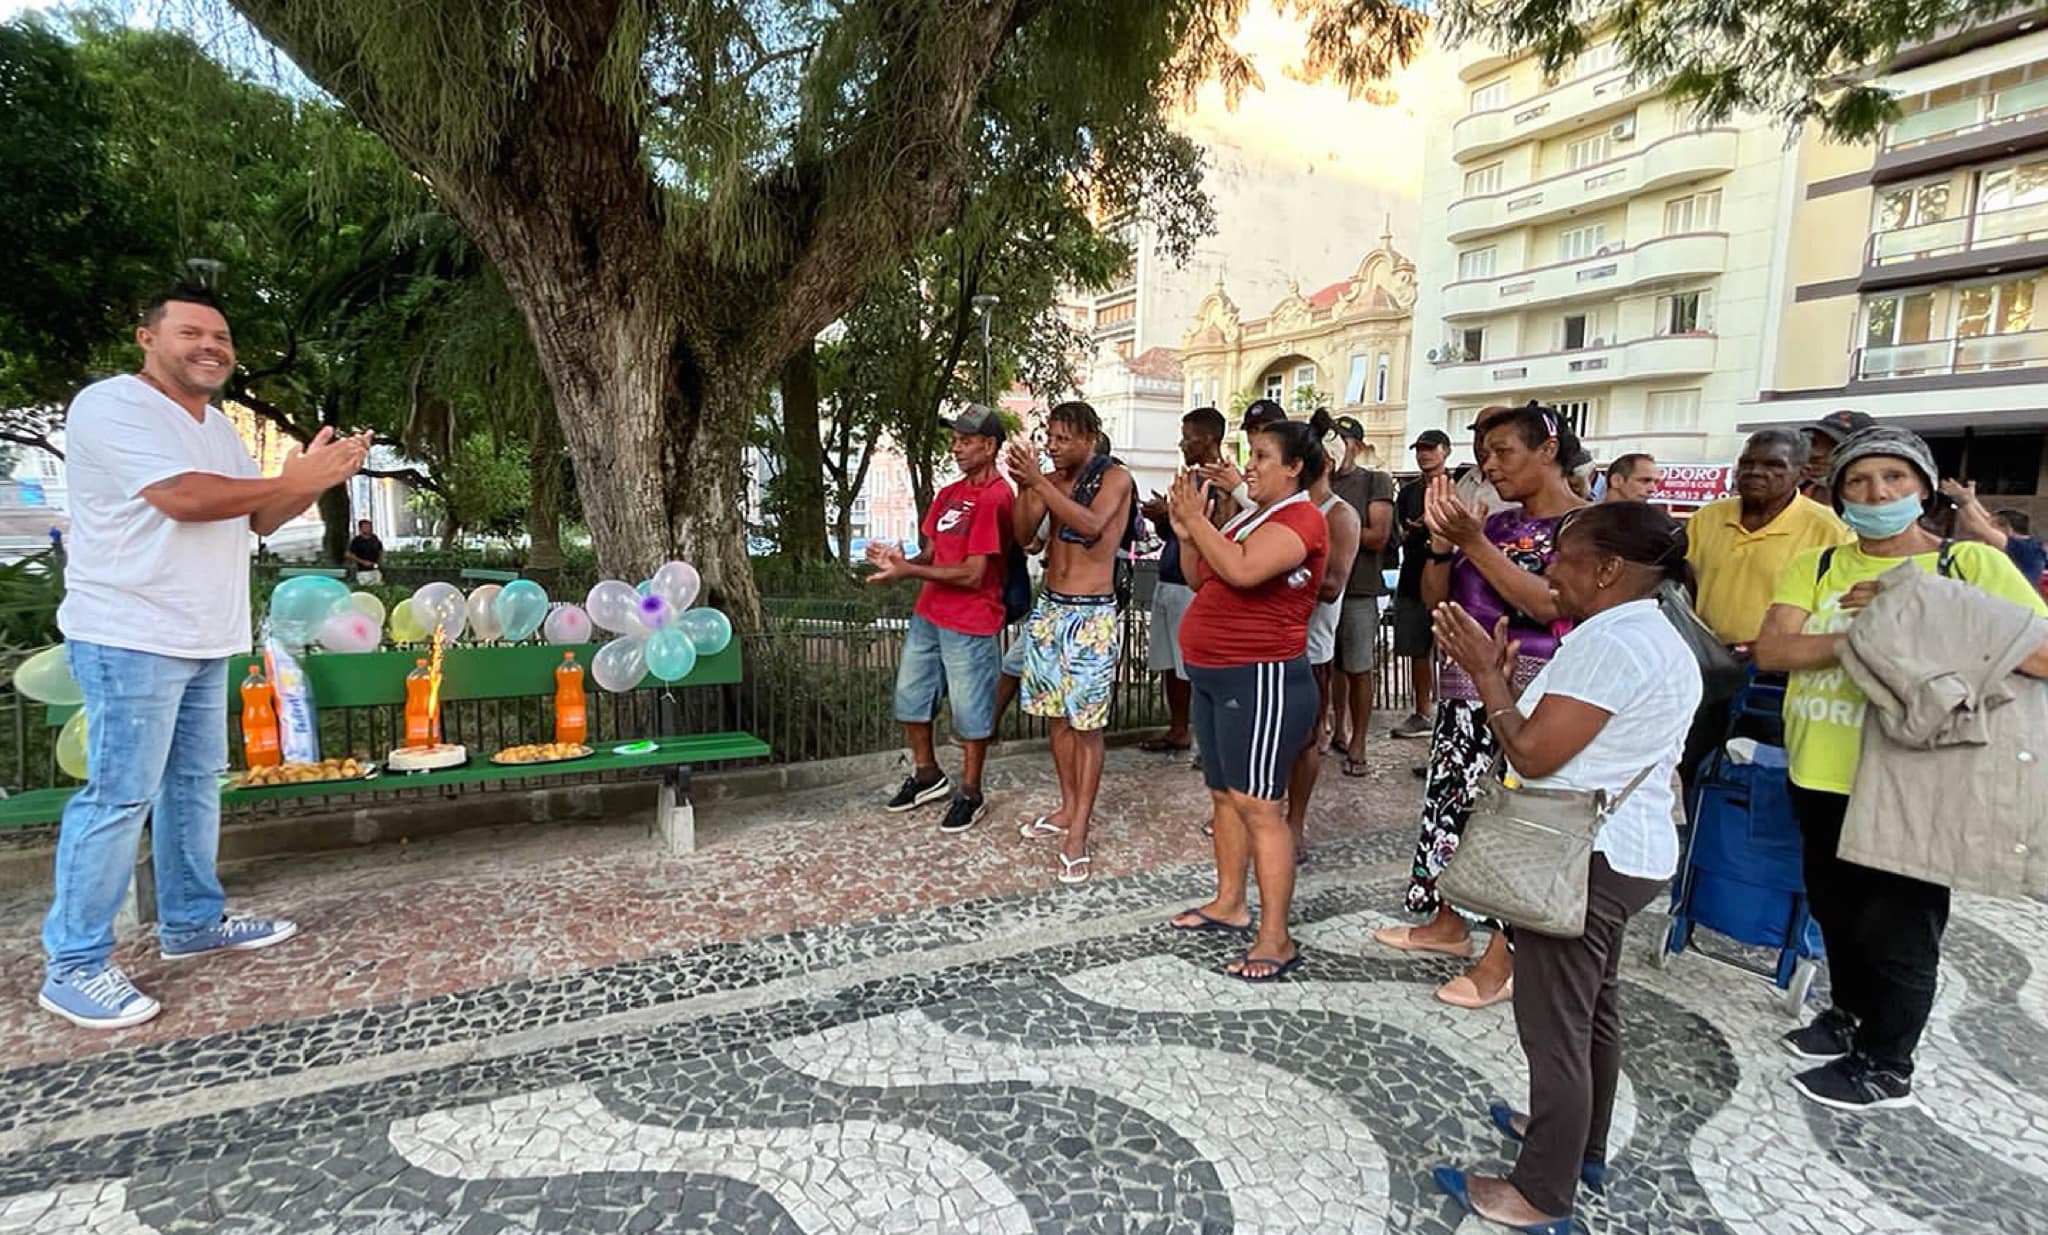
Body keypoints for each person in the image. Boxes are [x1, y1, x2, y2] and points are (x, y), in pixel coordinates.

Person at [40, 288, 369, 1030]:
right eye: (190, 331)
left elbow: (256, 516)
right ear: (147, 338)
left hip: (203, 634)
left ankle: (191, 920)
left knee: (194, 785)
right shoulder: (111, 404)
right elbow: (183, 498)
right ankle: (75, 963)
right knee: (120, 794)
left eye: (220, 335)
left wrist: (311, 484)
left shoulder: (218, 426)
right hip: (129, 631)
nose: (210, 345)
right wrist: (291, 479)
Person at [1429, 502, 1704, 1235]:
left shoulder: (1613, 643)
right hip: (1627, 848)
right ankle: (1579, 1145)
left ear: (1609, 567)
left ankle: (1542, 1192)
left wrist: (1488, 677)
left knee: (1554, 1026)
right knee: (1592, 1012)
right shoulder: (1650, 633)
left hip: (1585, 857)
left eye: (1564, 555)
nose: (1549, 568)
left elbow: (1531, 752)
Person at [1757, 425, 2048, 1111]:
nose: (1876, 493)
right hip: (1819, 769)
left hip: (1916, 778)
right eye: (1858, 482)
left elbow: (2038, 653)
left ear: (1923, 488)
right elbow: (1774, 649)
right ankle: (1850, 1014)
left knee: (1900, 928)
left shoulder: (1966, 568)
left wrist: (1911, 609)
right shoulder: (1821, 566)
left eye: (1893, 478)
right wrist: (1866, 631)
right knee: (1835, 911)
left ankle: (1889, 1063)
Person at [1374, 401, 1587, 1009]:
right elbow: (1442, 596)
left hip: (1539, 696)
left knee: (1517, 820)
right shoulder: (1493, 525)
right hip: (1467, 692)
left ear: (1548, 451)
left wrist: (1473, 540)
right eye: (1485, 454)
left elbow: (1552, 604)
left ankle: (1504, 956)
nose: (1490, 466)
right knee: (1453, 807)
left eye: (1504, 453)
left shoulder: (1587, 529)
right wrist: (1444, 549)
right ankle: (1447, 920)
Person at [1164, 411, 1332, 981]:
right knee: (1224, 798)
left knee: (1262, 808)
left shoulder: (1301, 520)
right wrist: (1189, 534)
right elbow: (1200, 577)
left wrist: (1199, 523)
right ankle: (1229, 902)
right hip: (1216, 675)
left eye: (1262, 457)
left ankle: (1275, 938)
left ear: (1294, 468)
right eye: (1251, 453)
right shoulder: (1253, 518)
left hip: (1259, 678)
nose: (1249, 466)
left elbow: (1238, 571)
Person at [868, 405, 1014, 835]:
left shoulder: (996, 498)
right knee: (911, 697)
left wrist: (909, 572)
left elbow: (974, 574)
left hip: (971, 619)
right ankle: (927, 773)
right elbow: (932, 555)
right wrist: (899, 562)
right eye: (955, 440)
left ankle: (971, 792)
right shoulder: (949, 494)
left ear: (989, 447)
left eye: (966, 441)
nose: (956, 448)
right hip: (930, 614)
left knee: (971, 711)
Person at [1008, 401, 1135, 886]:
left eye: (1063, 438)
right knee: (1058, 716)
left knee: (1087, 727)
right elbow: (1023, 535)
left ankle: (1079, 828)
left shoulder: (1115, 478)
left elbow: (1090, 526)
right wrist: (1027, 485)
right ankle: (1066, 807)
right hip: (1051, 609)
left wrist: (1038, 481)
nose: (1054, 446)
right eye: (1050, 437)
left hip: (1090, 616)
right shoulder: (1052, 480)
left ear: (1089, 436)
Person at [1686, 430, 1852, 650]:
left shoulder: (1831, 530)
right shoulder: (1707, 517)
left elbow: (1839, 611)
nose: (1755, 472)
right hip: (1704, 656)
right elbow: (1686, 584)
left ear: (1802, 474)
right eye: (1747, 463)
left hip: (1777, 668)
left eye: (1773, 465)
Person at [1289, 424, 1362, 863]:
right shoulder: (1286, 507)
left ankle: (1294, 823)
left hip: (1310, 647)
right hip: (1273, 642)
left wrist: (1274, 571)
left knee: (1305, 742)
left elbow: (1332, 586)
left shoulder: (1340, 515)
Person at [1140, 408, 1228, 754]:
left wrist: (1175, 515)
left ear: (1207, 439)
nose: (1181, 443)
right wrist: (1162, 518)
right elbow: (1171, 535)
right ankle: (1178, 730)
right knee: (1170, 664)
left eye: (1188, 436)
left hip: (1195, 584)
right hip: (1170, 576)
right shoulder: (1188, 480)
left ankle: (1208, 737)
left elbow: (1218, 531)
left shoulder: (1221, 481)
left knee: (1194, 664)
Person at [1325, 414, 1396, 777]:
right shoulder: (1317, 481)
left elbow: (1378, 535)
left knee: (1358, 666)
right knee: (1330, 665)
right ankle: (1337, 729)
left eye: (1342, 442)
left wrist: (1331, 529)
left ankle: (1360, 741)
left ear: (1355, 445)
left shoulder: (1375, 480)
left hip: (1359, 588)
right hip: (1322, 591)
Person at [1388, 430, 1451, 740]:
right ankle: (1423, 711)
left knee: (1452, 650)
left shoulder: (1457, 487)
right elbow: (1398, 530)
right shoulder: (1408, 492)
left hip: (1450, 577)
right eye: (1420, 450)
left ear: (1446, 451)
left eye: (1430, 449)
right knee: (1416, 648)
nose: (1424, 454)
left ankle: (1450, 713)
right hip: (1413, 573)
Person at [1941, 478, 2047, 587]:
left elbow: (1977, 526)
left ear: (2007, 529)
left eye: (1992, 527)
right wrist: (1971, 500)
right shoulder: (2030, 544)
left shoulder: (2022, 549)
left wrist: (1961, 501)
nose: (1988, 527)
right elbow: (1987, 518)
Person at [1799, 409, 1874, 507]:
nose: (1815, 453)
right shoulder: (1789, 494)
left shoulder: (1880, 504)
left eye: (1834, 445)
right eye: (1814, 442)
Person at [344, 517, 384, 585]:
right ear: (360, 528)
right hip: (363, 570)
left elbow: (380, 550)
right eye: (365, 527)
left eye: (369, 527)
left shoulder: (374, 538)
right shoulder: (357, 541)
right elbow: (348, 554)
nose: (368, 529)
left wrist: (380, 561)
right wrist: (362, 561)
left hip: (375, 569)